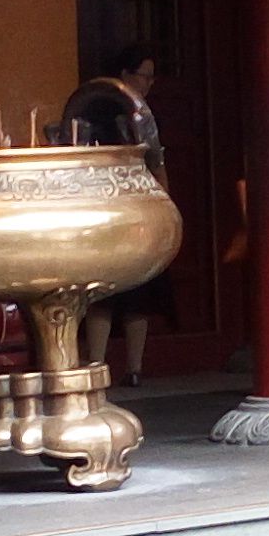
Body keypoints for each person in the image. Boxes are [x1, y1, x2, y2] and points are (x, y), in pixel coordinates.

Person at [97, 45, 172, 387]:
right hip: (109, 206)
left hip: (142, 206)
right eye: (144, 75)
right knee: (102, 291)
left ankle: (135, 368)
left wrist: (164, 201)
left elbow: (157, 161)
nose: (148, 83)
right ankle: (96, 365)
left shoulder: (147, 115)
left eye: (151, 77)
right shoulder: (102, 110)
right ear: (125, 74)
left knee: (140, 292)